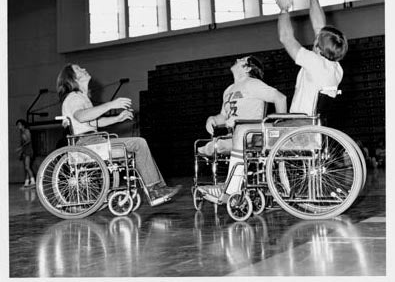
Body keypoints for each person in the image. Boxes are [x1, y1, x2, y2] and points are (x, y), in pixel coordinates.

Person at [56, 63, 180, 206]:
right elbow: (81, 117)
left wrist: (117, 118)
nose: (84, 69)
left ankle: (157, 188)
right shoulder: (74, 97)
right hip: (87, 143)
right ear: (72, 78)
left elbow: (93, 122)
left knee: (138, 144)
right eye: (78, 69)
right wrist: (111, 105)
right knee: (139, 143)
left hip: (92, 140)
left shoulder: (81, 97)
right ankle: (154, 190)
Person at [197, 55, 287, 203]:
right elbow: (223, 116)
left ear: (248, 67)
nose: (238, 59)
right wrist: (212, 119)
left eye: (242, 59)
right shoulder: (229, 90)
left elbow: (280, 98)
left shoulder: (253, 84)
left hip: (251, 136)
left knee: (217, 145)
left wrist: (280, 127)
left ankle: (230, 189)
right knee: (211, 146)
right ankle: (226, 186)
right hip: (234, 136)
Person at [273, 0, 348, 115]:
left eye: (316, 40)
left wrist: (283, 10)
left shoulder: (315, 63)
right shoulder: (336, 68)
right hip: (315, 126)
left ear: (319, 49)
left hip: (302, 126)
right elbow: (320, 26)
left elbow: (285, 37)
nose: (315, 37)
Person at [15, 119, 35, 188]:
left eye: (19, 125)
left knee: (27, 167)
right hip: (24, 151)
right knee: (26, 167)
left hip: (28, 151)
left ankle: (33, 181)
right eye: (17, 125)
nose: (18, 126)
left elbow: (29, 140)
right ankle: (26, 182)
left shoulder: (26, 131)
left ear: (23, 125)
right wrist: (21, 151)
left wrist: (20, 148)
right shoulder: (21, 132)